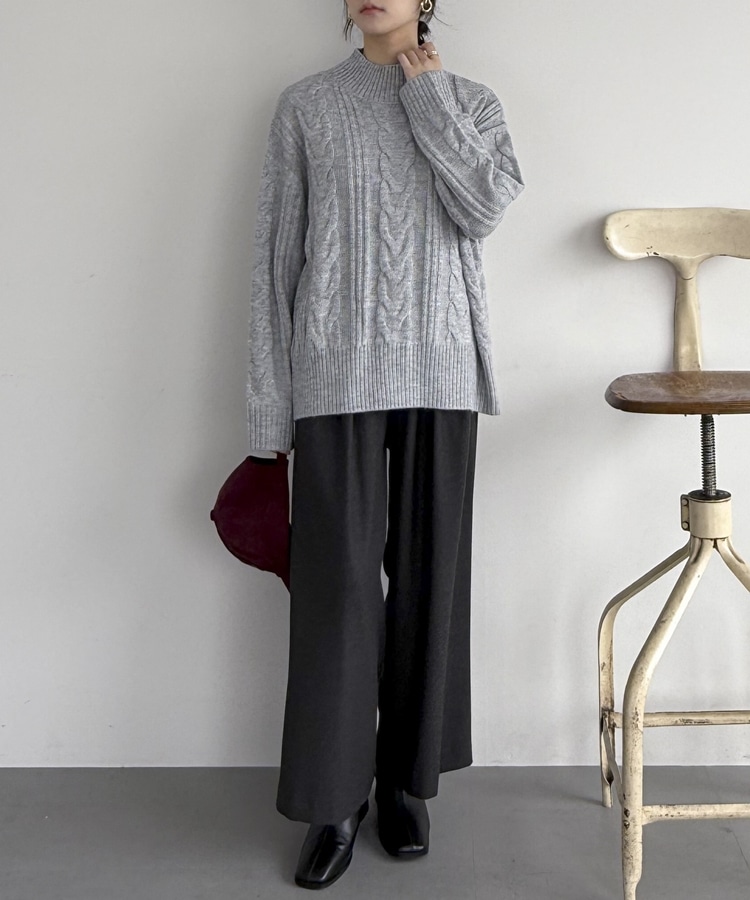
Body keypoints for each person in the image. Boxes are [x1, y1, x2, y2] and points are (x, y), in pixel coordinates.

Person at [246, 0, 524, 889]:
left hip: (441, 369)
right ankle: (335, 799)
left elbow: (485, 208)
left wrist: (428, 97)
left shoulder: (469, 101)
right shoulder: (305, 105)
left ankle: (407, 782)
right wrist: (269, 413)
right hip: (335, 376)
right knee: (336, 595)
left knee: (429, 585)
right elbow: (274, 260)